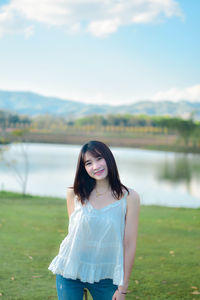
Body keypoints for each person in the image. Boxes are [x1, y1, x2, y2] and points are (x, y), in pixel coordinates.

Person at [48, 140, 140, 300]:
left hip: (107, 276)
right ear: (83, 168)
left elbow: (129, 244)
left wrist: (123, 288)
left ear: (108, 158)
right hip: (70, 270)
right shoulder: (74, 193)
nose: (95, 166)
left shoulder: (129, 197)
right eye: (88, 163)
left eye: (99, 158)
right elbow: (75, 234)